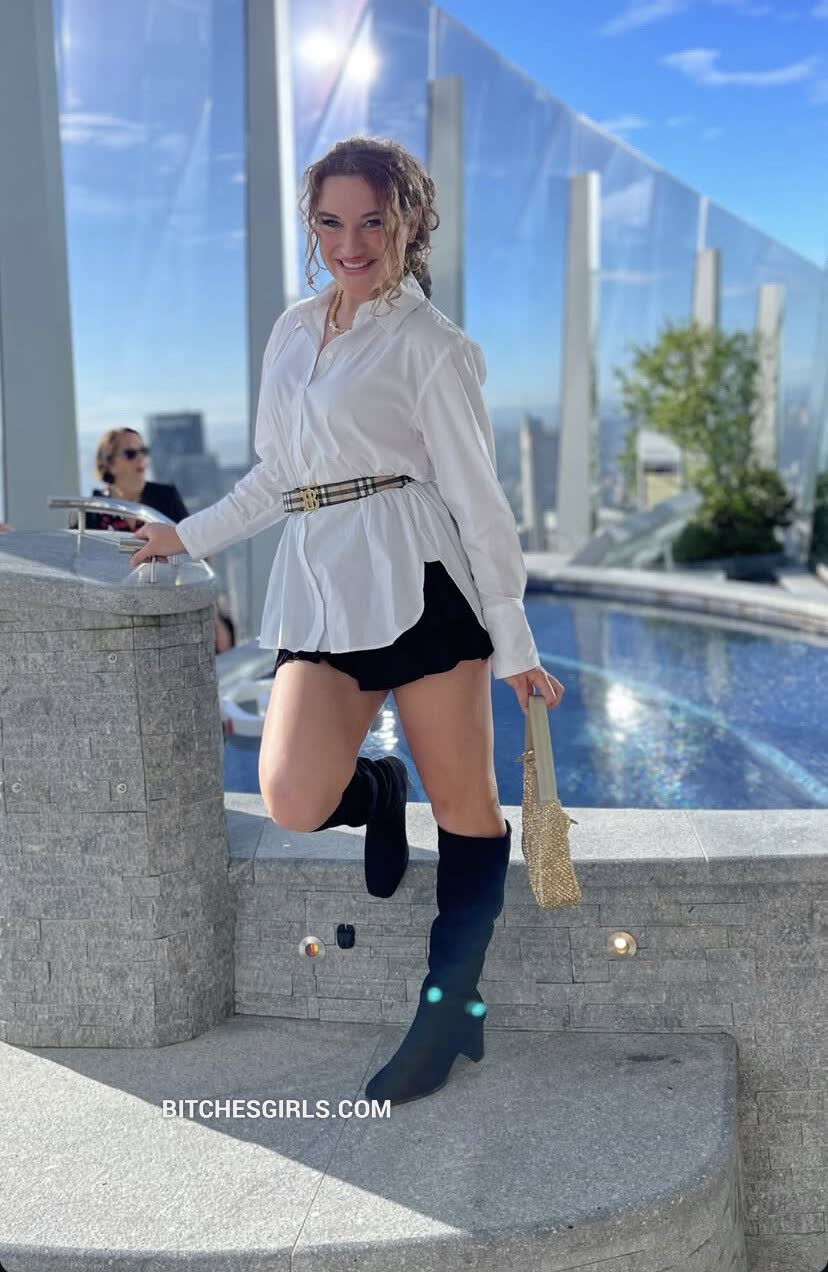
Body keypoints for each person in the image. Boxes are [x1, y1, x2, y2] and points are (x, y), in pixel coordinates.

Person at [129, 135, 565, 1107]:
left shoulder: (433, 346)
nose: (351, 242)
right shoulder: (293, 332)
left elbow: (478, 497)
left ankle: (450, 1010)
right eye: (330, 222)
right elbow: (279, 477)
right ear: (312, 225)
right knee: (291, 795)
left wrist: (514, 641)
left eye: (373, 220)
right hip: (321, 580)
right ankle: (376, 786)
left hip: (420, 581)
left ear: (409, 222)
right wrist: (182, 535)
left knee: (468, 807)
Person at [89, 427, 236, 652]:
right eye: (131, 453)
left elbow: (196, 549)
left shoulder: (164, 496)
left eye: (143, 451)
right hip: (117, 614)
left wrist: (212, 615)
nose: (141, 459)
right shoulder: (92, 510)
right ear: (109, 463)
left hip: (167, 604)